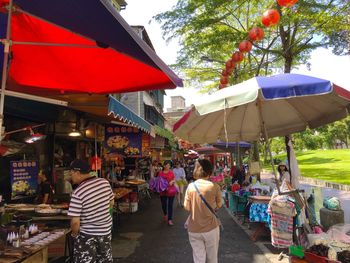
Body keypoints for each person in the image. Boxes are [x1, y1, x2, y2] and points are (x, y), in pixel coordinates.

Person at [68, 159, 114, 263]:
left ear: (77, 173)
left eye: (71, 173)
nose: (71, 177)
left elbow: (75, 222)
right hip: (105, 232)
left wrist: (74, 235)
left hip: (87, 236)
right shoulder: (104, 182)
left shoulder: (78, 193)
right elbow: (111, 202)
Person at [184, 159, 223, 263]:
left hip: (194, 228)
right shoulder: (214, 186)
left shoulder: (191, 187)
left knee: (198, 258)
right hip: (211, 228)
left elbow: (186, 207)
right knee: (212, 258)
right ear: (210, 171)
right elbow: (219, 204)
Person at [159, 160, 176, 226]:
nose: (167, 166)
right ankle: (165, 214)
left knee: (170, 205)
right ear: (164, 165)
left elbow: (174, 179)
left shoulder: (171, 172)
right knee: (164, 204)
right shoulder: (161, 173)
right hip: (163, 191)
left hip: (171, 190)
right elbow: (159, 181)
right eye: (166, 165)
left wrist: (172, 181)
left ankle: (170, 219)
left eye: (169, 165)